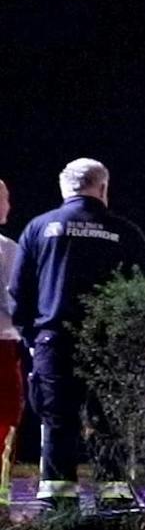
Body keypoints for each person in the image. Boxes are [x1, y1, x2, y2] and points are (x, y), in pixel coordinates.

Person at [7, 159, 145, 503]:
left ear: (65, 189)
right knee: (110, 423)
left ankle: (58, 506)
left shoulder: (39, 228)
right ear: (102, 188)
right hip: (111, 345)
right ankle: (114, 502)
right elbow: (144, 295)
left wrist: (32, 337)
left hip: (54, 341)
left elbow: (19, 290)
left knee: (58, 423)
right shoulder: (126, 232)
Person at [0, 180, 23, 495]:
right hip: (2, 346)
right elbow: (17, 303)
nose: (9, 205)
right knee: (4, 419)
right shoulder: (6, 250)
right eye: (5, 198)